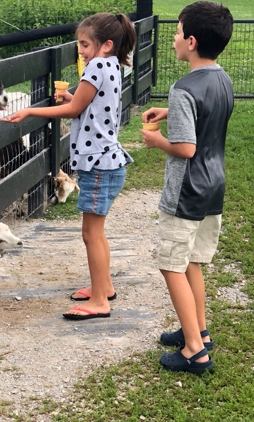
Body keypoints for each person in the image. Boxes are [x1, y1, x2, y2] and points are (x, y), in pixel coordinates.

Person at [2, 12, 136, 320]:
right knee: (95, 233)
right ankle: (103, 287)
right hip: (105, 162)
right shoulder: (112, 66)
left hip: (100, 165)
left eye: (85, 44)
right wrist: (69, 95)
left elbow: (75, 109)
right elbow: (87, 105)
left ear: (106, 45)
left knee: (92, 234)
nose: (81, 50)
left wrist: (30, 113)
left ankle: (100, 301)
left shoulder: (97, 65)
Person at [141, 1, 234, 373]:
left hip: (186, 192)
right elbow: (208, 115)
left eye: (177, 32)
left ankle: (195, 351)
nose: (174, 39)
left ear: (191, 41)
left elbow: (185, 148)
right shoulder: (222, 77)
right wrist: (170, 112)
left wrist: (156, 140)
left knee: (172, 266)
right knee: (193, 261)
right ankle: (199, 331)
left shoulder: (182, 88)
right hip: (214, 187)